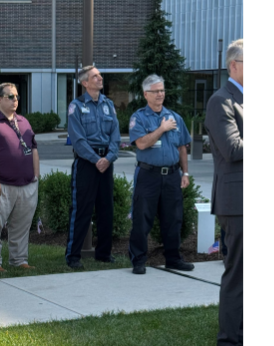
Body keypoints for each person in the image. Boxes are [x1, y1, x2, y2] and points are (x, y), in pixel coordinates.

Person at [127, 74, 195, 274]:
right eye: (156, 91)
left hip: (172, 175)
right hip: (148, 175)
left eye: (162, 90)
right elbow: (141, 143)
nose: (160, 95)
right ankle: (139, 260)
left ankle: (173, 259)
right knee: (142, 218)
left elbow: (182, 147)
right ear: (145, 94)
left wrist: (186, 173)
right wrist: (161, 128)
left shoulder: (175, 117)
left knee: (173, 219)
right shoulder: (138, 117)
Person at [205, 39, 243, 346]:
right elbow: (233, 149)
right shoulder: (221, 101)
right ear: (234, 65)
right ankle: (227, 345)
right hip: (238, 202)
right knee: (238, 275)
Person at [64, 65, 121, 269]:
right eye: (95, 76)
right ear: (85, 82)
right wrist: (97, 159)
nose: (100, 78)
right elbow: (78, 140)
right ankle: (73, 256)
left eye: (100, 75)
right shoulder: (76, 106)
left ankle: (104, 253)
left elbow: (115, 135)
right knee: (82, 210)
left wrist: (110, 157)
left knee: (107, 209)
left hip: (106, 163)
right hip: (87, 163)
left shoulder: (108, 104)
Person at [0, 83, 40, 272]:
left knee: (22, 226)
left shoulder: (24, 121)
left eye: (16, 96)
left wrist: (36, 177)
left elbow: (33, 148)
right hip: (3, 184)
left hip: (27, 184)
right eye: (10, 96)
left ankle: (19, 259)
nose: (15, 100)